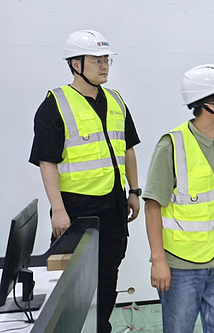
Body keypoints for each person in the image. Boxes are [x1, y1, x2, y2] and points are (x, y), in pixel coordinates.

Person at [29, 30, 141, 333]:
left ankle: (101, 327)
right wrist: (58, 210)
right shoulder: (56, 104)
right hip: (77, 210)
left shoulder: (116, 100)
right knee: (70, 282)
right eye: (96, 60)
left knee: (108, 277)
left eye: (106, 60)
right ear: (75, 64)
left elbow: (128, 149)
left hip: (114, 206)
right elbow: (47, 161)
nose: (104, 66)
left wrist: (134, 191)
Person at [143, 64, 214, 333]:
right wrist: (158, 260)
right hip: (181, 265)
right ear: (209, 104)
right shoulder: (171, 145)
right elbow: (153, 205)